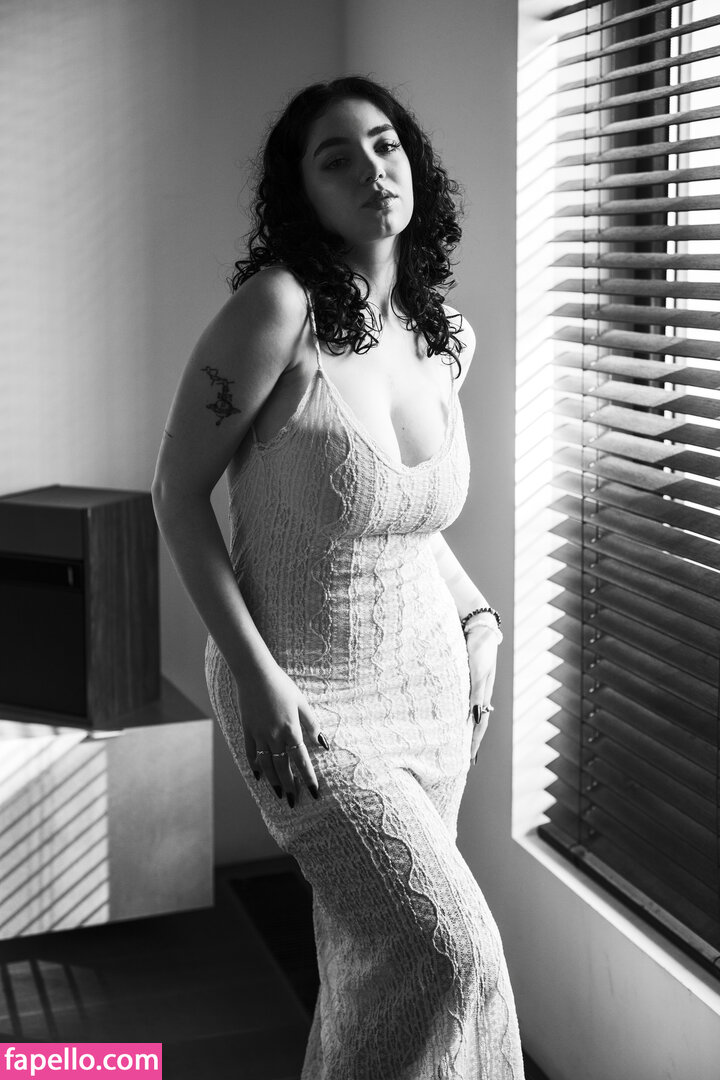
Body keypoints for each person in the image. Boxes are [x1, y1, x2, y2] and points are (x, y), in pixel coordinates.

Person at [152, 75, 524, 1080]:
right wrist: (261, 681)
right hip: (301, 699)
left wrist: (479, 619)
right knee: (453, 955)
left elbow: (399, 524)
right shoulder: (278, 312)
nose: (372, 169)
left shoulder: (445, 336)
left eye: (386, 144)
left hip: (431, 690)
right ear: (302, 191)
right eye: (337, 157)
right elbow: (175, 495)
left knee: (374, 969)